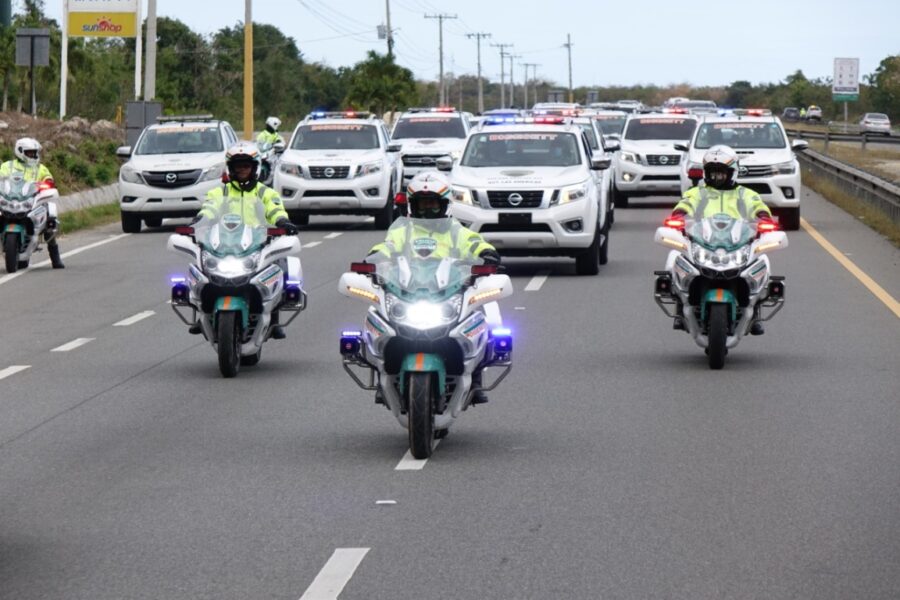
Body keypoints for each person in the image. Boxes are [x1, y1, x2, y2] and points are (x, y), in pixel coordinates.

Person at [367, 171, 501, 404]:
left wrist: (486, 253)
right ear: (411, 206)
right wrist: (374, 258)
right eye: (421, 204)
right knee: (378, 318)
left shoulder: (455, 230)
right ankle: (383, 374)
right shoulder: (402, 231)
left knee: (481, 319)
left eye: (433, 204)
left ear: (445, 205)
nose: (427, 210)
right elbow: (386, 246)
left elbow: (474, 242)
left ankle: (476, 376)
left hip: (449, 290)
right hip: (407, 289)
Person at [192, 142, 298, 339]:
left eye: (246, 166)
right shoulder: (220, 192)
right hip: (223, 244)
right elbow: (209, 209)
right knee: (200, 269)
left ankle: (274, 319)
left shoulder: (265, 192)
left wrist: (283, 221)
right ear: (230, 168)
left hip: (259, 242)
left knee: (279, 267)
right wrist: (199, 221)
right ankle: (201, 313)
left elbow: (275, 209)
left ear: (254, 168)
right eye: (238, 166)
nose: (242, 170)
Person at [670, 145, 774, 335]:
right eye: (712, 172)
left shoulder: (745, 193)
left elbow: (757, 206)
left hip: (738, 242)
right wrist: (679, 215)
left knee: (763, 260)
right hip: (703, 241)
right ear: (705, 173)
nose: (717, 177)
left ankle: (755, 312)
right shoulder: (698, 193)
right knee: (674, 255)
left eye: (721, 173)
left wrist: (763, 218)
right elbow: (686, 203)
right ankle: (680, 306)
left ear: (732, 172)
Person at [0, 137, 64, 268]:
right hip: (10, 199)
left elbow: (49, 179)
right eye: (30, 152)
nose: (33, 155)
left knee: (49, 222)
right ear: (20, 151)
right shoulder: (8, 166)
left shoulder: (40, 168)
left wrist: (47, 183)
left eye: (34, 152)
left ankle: (55, 259)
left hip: (33, 201)